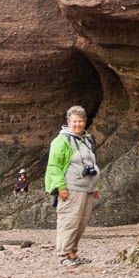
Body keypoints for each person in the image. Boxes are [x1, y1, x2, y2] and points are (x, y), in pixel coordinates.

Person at [45, 105, 101, 266]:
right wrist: (60, 187)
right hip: (71, 189)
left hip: (87, 189)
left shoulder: (87, 139)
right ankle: (63, 256)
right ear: (68, 122)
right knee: (69, 220)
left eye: (81, 121)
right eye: (74, 121)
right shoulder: (61, 141)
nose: (78, 124)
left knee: (81, 222)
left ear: (85, 121)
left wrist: (95, 186)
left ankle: (73, 254)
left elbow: (91, 163)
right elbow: (54, 166)